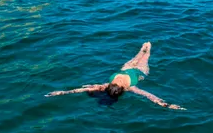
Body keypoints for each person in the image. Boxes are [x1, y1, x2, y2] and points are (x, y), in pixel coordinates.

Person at [45, 42, 185, 110]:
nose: (116, 79)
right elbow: (150, 96)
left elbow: (82, 89)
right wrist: (168, 105)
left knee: (138, 54)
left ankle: (143, 48)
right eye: (117, 82)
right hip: (141, 71)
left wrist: (61, 92)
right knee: (145, 56)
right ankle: (147, 49)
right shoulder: (131, 87)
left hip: (127, 68)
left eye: (115, 82)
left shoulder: (108, 86)